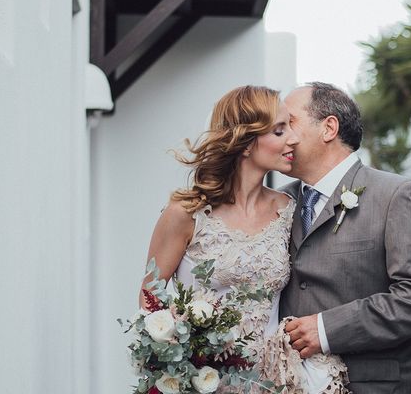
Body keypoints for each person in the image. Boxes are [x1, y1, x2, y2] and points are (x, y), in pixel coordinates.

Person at [140, 85, 348, 393]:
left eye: (289, 127)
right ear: (246, 142)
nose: (292, 138)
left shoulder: (289, 211)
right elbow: (149, 300)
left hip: (272, 379)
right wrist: (180, 357)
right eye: (279, 131)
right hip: (204, 381)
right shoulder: (186, 213)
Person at [280, 82, 411, 394]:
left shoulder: (397, 196)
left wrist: (326, 329)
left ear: (328, 127)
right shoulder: (278, 204)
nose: (280, 135)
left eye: (288, 122)